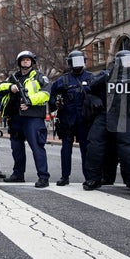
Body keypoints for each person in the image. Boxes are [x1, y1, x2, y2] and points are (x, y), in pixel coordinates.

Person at [81, 50, 130, 196]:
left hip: (126, 116)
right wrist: (94, 98)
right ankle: (93, 179)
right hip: (106, 114)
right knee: (94, 146)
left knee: (128, 150)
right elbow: (88, 87)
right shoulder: (107, 75)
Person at [0, 50, 51, 188]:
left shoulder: (39, 77)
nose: (26, 62)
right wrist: (11, 87)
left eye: (28, 60)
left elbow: (46, 94)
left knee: (37, 147)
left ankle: (43, 177)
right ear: (19, 62)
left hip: (32, 118)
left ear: (32, 62)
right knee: (16, 148)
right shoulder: (13, 77)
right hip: (15, 118)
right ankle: (18, 174)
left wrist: (30, 101)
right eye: (23, 60)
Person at [48, 50, 93, 186]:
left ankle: (89, 177)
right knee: (66, 149)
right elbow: (51, 95)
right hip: (67, 119)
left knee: (86, 149)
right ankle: (64, 176)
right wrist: (55, 103)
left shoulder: (91, 78)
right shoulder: (63, 79)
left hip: (85, 120)